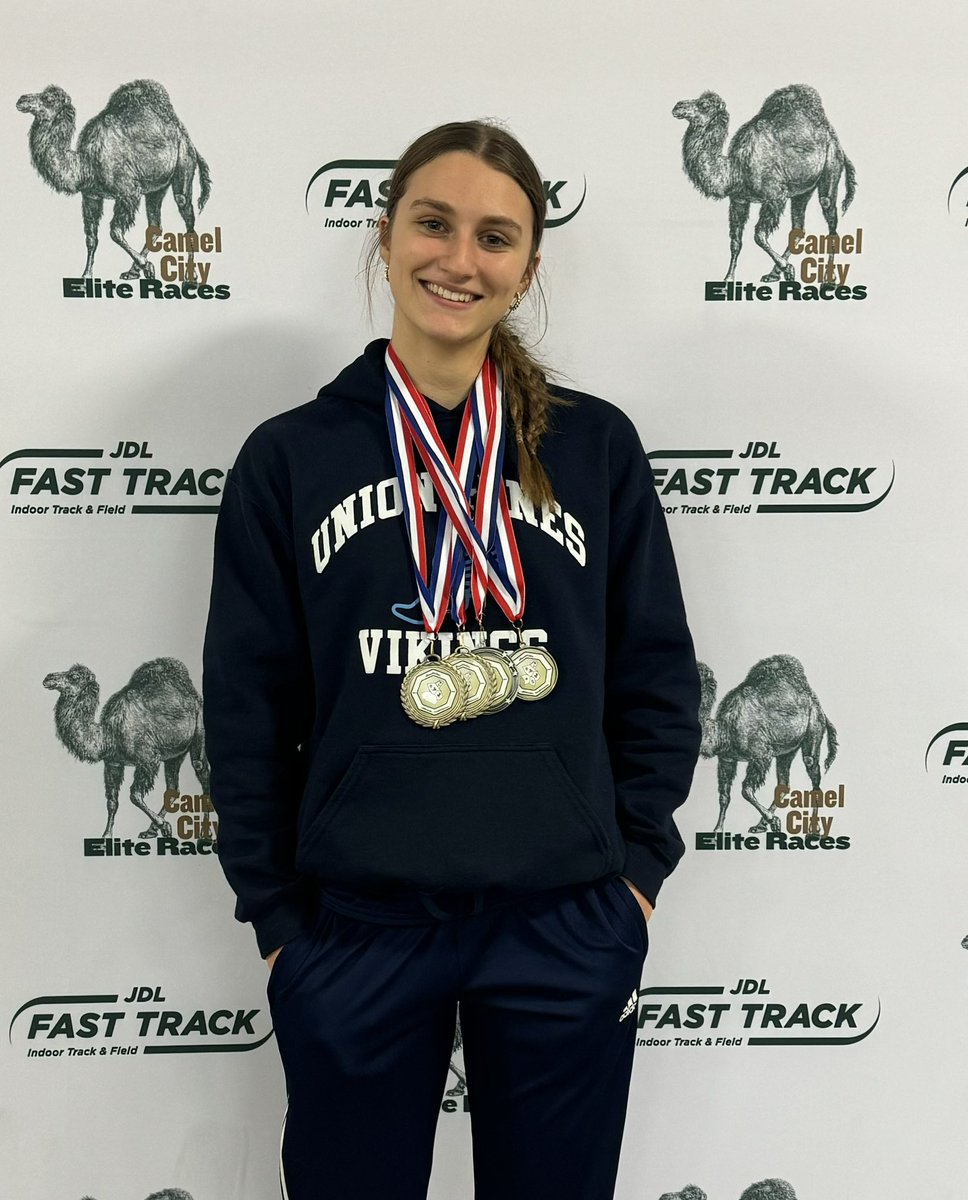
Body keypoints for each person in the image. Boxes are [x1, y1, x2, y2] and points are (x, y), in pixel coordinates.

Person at [203, 119, 701, 1200]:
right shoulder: (292, 457)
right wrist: (283, 927)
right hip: (357, 931)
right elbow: (246, 710)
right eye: (433, 224)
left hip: (566, 923)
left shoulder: (595, 449)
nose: (458, 260)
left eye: (494, 236)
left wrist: (635, 882)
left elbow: (656, 680)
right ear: (383, 237)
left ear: (527, 267)